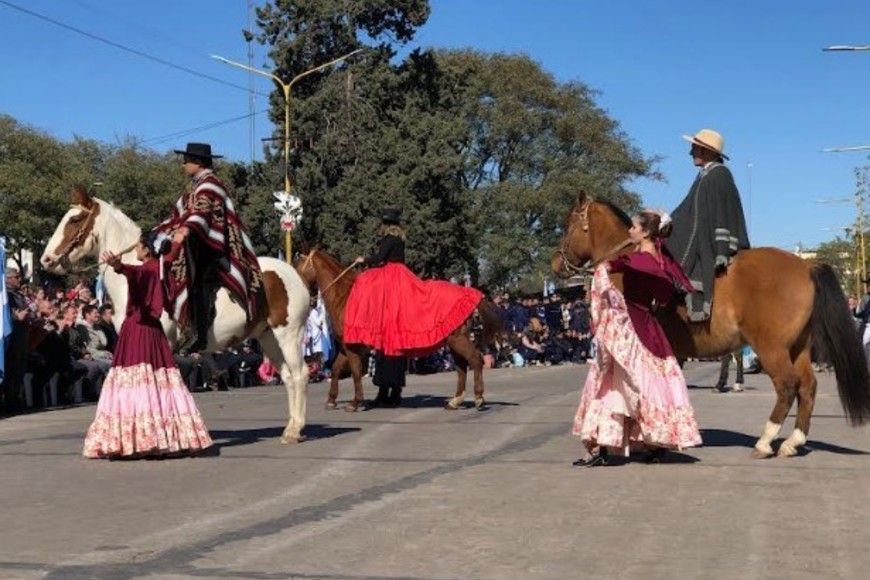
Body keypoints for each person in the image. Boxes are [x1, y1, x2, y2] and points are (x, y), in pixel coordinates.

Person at [572, 210, 702, 467]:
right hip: (647, 326)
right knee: (643, 384)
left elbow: (624, 265)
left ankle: (601, 447)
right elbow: (663, 295)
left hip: (630, 327)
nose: (629, 231)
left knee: (607, 380)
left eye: (633, 227)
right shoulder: (661, 259)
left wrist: (606, 267)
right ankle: (649, 443)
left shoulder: (643, 259)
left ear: (644, 232)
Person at [82, 231, 213, 459]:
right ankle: (164, 436)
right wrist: (179, 240)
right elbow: (168, 257)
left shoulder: (146, 270)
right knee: (157, 380)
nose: (135, 249)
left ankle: (138, 439)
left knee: (133, 381)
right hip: (153, 331)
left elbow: (134, 273)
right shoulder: (162, 266)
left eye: (139, 246)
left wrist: (119, 266)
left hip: (137, 329)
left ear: (146, 250)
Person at [345, 208, 483, 406]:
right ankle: (393, 390)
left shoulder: (387, 239)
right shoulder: (400, 239)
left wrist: (363, 260)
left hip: (391, 280)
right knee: (396, 323)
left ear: (385, 225)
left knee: (364, 283)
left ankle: (385, 389)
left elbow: (381, 259)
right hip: (402, 276)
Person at [154, 142, 263, 352]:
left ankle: (200, 334)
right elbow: (180, 214)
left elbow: (201, 214)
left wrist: (187, 229)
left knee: (199, 284)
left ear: (198, 163)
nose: (184, 165)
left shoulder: (210, 185)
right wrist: (158, 232)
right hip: (197, 246)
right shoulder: (195, 187)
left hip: (214, 248)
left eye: (186, 161)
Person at [668, 129, 750, 321]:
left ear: (707, 151)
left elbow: (720, 213)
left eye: (694, 148)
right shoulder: (705, 175)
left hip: (708, 241)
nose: (691, 153)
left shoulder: (718, 175)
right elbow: (688, 210)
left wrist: (720, 247)